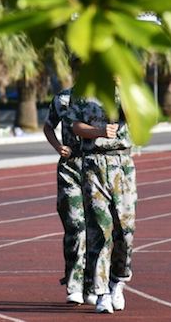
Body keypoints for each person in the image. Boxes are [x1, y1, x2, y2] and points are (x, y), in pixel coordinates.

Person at [71, 91, 136, 314]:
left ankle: (117, 281)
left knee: (125, 230)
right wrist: (99, 131)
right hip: (94, 163)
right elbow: (74, 125)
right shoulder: (83, 90)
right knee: (100, 228)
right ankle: (102, 293)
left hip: (123, 163)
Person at [43, 83, 94, 305]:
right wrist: (57, 146)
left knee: (98, 228)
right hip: (70, 166)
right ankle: (74, 283)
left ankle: (94, 284)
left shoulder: (107, 98)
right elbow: (48, 126)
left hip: (98, 165)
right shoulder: (63, 98)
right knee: (75, 225)